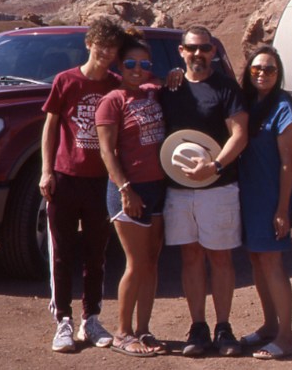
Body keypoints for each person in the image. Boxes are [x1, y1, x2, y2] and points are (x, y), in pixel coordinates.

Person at [157, 25, 249, 357]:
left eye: (205, 48)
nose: (199, 54)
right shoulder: (169, 88)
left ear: (213, 51)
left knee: (220, 257)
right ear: (181, 51)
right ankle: (198, 326)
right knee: (191, 256)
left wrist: (216, 166)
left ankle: (224, 327)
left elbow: (239, 134)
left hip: (218, 187)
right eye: (192, 48)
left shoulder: (226, 88)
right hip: (179, 189)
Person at [39, 16, 124, 353]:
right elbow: (50, 127)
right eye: (101, 46)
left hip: (100, 181)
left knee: (96, 252)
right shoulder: (66, 81)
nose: (106, 53)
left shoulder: (116, 85)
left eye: (112, 48)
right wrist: (46, 171)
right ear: (89, 44)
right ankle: (63, 320)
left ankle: (91, 319)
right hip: (65, 177)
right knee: (61, 252)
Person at [95, 31, 168, 357]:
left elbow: (170, 82)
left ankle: (144, 329)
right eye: (130, 63)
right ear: (119, 65)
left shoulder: (152, 92)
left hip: (157, 187)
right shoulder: (112, 101)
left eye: (144, 64)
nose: (138, 69)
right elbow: (107, 152)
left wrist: (174, 75)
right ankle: (122, 333)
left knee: (151, 262)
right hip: (129, 190)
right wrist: (125, 189)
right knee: (136, 263)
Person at [236, 45, 292, 360]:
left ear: (279, 73)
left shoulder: (282, 106)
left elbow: (288, 162)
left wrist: (282, 209)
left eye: (270, 69)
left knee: (272, 263)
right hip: (247, 196)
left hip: (270, 196)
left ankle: (286, 337)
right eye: (257, 68)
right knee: (257, 261)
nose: (262, 73)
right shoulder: (247, 102)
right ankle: (270, 325)